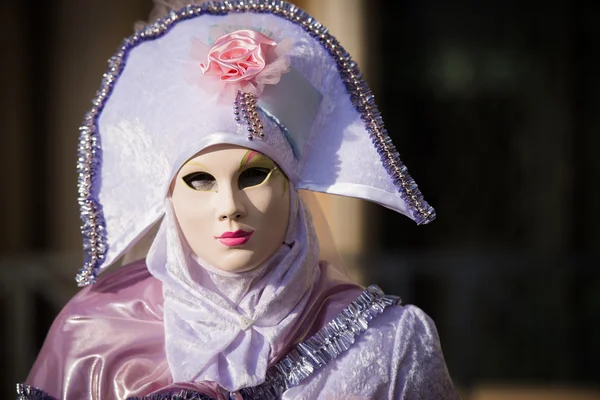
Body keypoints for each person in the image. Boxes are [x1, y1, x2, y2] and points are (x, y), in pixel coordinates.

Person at [18, 1, 459, 399]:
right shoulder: (94, 335)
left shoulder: (389, 342)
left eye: (253, 174)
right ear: (169, 197)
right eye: (200, 181)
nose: (230, 205)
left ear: (291, 186)